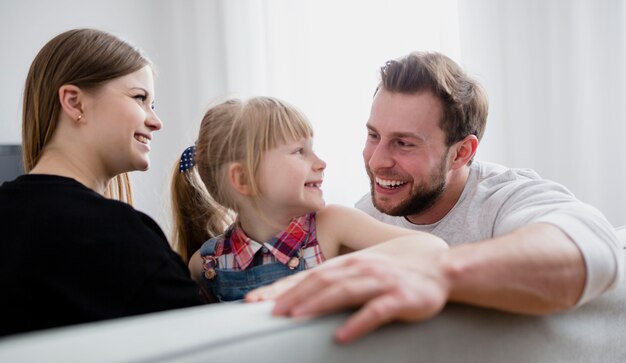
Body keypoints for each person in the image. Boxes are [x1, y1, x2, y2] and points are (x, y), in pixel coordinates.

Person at [246, 51, 624, 344]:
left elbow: (595, 249)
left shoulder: (505, 197)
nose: (377, 161)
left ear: (462, 152)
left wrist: (436, 272)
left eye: (404, 143)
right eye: (373, 135)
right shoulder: (366, 217)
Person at [0, 28, 204, 338]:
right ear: (75, 102)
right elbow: (205, 353)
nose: (156, 121)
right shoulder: (121, 235)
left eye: (154, 104)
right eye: (139, 98)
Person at [170, 96, 447, 302]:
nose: (321, 162)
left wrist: (335, 273)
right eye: (299, 152)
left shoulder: (331, 225)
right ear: (243, 179)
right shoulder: (207, 265)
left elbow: (432, 248)